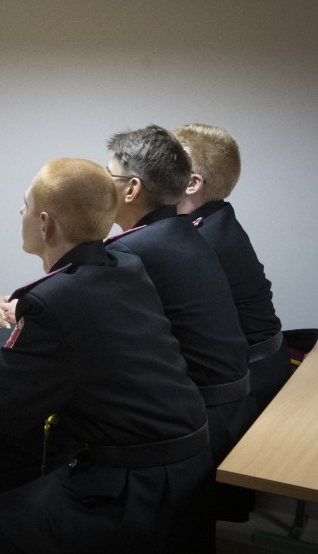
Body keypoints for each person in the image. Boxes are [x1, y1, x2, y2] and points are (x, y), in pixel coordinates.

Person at [0, 158, 214, 554]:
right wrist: (6, 351)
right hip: (186, 474)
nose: (20, 212)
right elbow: (74, 351)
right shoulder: (124, 264)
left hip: (128, 494)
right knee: (12, 475)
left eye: (26, 205)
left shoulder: (56, 299)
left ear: (46, 224)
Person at [105, 125, 255, 521]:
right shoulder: (187, 233)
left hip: (198, 417)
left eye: (109, 177)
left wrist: (6, 330)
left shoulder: (137, 248)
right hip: (229, 396)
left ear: (132, 188)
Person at [173, 122, 291, 411]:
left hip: (251, 388)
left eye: (165, 168)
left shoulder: (198, 242)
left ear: (191, 183)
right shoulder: (217, 220)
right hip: (265, 368)